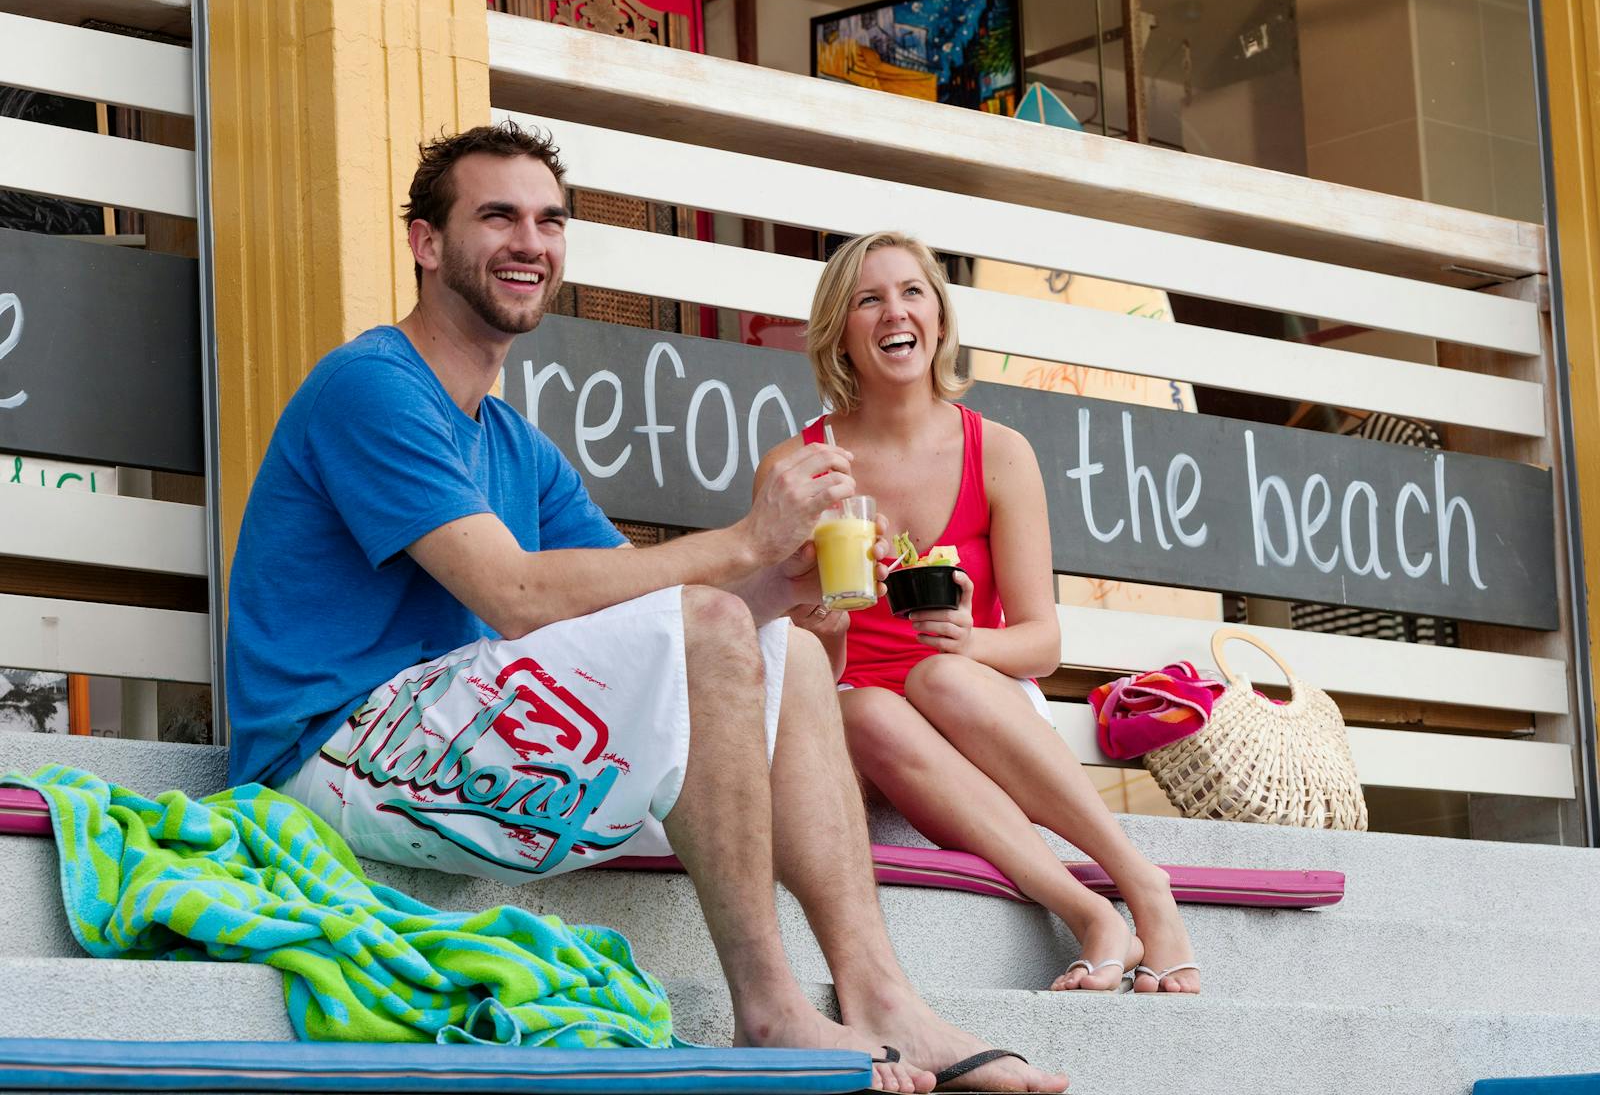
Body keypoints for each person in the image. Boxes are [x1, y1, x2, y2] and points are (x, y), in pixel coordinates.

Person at [223, 123, 1070, 1094]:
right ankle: (770, 1011)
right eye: (496, 215)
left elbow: (651, 609)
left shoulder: (511, 442)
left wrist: (793, 591)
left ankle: (879, 995)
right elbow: (515, 594)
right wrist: (748, 544)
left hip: (453, 736)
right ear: (426, 242)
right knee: (716, 623)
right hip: (326, 748)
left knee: (777, 647)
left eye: (548, 221)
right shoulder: (372, 386)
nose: (529, 241)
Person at [756, 231, 1200, 996]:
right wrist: (821, 626)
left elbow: (1043, 643)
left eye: (912, 292)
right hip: (855, 715)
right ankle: (1088, 911)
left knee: (940, 679)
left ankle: (1143, 884)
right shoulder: (797, 467)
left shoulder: (999, 451)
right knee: (865, 712)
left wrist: (969, 640)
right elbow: (782, 645)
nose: (895, 312)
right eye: (869, 299)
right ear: (841, 332)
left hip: (976, 695)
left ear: (938, 315)